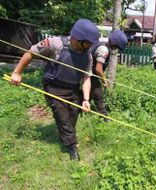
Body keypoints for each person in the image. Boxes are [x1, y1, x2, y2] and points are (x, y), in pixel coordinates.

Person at [10, 18, 100, 161]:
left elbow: (86, 78)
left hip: (73, 89)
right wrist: (17, 73)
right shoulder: (55, 44)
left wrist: (86, 99)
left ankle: (65, 134)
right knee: (63, 117)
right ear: (77, 39)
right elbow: (30, 52)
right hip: (54, 88)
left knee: (73, 115)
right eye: (87, 43)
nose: (89, 46)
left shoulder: (87, 55)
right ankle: (71, 146)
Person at [88, 30, 128, 119]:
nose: (116, 49)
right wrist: (104, 80)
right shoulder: (104, 49)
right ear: (114, 43)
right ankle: (103, 116)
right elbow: (98, 69)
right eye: (117, 47)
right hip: (91, 73)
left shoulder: (100, 41)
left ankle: (82, 110)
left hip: (88, 72)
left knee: (89, 93)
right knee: (99, 95)